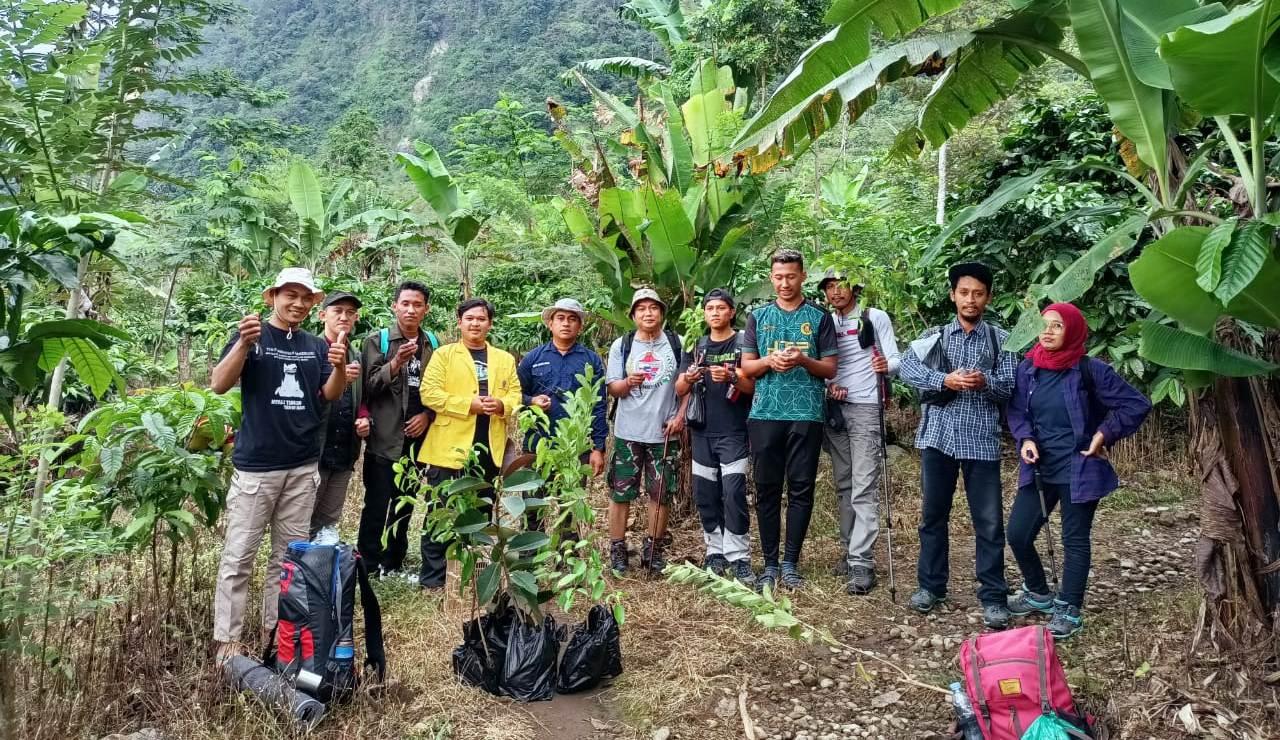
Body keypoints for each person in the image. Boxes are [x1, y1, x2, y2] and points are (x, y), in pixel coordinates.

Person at [209, 267, 348, 663]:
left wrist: (338, 365)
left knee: (287, 559)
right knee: (239, 558)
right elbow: (218, 384)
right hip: (257, 467)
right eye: (291, 295)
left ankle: (277, 633)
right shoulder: (252, 335)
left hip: (303, 467)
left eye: (307, 298)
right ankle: (229, 642)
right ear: (273, 296)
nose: (299, 304)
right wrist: (243, 345)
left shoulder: (315, 345)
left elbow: (328, 395)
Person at [1005, 303, 1151, 639]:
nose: (1049, 332)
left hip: (1079, 466)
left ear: (1072, 330)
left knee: (1074, 539)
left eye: (1057, 326)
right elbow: (1017, 411)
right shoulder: (1028, 369)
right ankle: (1039, 592)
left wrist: (1104, 433)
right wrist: (1025, 438)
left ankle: (1069, 608)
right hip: (1040, 466)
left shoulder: (1090, 370)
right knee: (1018, 533)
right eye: (1044, 325)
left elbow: (1136, 404)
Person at [899, 261, 1017, 629]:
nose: (970, 299)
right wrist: (943, 379)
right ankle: (931, 586)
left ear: (988, 297)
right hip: (938, 438)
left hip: (982, 440)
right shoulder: (934, 335)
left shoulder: (1002, 339)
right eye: (964, 292)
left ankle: (994, 596)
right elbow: (906, 367)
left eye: (978, 293)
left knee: (989, 523)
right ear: (953, 295)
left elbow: (1011, 383)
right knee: (933, 517)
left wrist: (986, 382)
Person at [739, 251, 839, 591]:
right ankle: (768, 562)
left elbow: (829, 369)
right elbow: (747, 367)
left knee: (801, 487)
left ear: (803, 276)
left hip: (806, 413)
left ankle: (791, 562)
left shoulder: (819, 317)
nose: (785, 283)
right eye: (779, 277)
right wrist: (770, 360)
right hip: (765, 411)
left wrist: (802, 360)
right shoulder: (758, 317)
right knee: (767, 489)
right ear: (771, 277)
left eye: (791, 276)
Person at [417, 298, 521, 589]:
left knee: (481, 512)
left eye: (482, 319)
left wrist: (501, 405)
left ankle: (472, 573)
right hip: (448, 447)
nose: (475, 323)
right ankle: (433, 579)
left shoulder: (504, 358)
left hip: (489, 447)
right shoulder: (444, 355)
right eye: (470, 318)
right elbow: (429, 394)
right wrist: (469, 404)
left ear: (490, 323)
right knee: (440, 511)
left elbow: (515, 394)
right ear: (459, 322)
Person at [817, 270, 900, 596]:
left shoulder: (873, 316)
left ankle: (862, 562)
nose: (835, 292)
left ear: (854, 287)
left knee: (864, 486)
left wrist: (885, 367)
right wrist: (829, 386)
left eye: (840, 285)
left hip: (866, 407)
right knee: (844, 483)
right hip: (836, 410)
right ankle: (849, 552)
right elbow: (823, 365)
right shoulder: (826, 323)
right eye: (829, 287)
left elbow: (895, 358)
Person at [356, 281, 438, 579]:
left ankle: (393, 560)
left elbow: (439, 388)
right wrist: (396, 362)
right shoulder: (377, 341)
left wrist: (428, 415)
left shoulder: (433, 343)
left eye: (417, 304)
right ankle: (367, 563)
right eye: (405, 303)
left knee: (405, 504)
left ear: (425, 309)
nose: (411, 309)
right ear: (395, 306)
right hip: (385, 437)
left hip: (418, 440)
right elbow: (368, 387)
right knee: (376, 503)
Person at [674, 289, 756, 585]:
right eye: (710, 308)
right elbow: (680, 389)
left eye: (721, 308)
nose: (715, 313)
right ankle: (715, 551)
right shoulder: (696, 345)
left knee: (733, 493)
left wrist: (733, 376)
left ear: (732, 312)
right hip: (702, 432)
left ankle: (739, 556)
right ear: (704, 313)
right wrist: (690, 377)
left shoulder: (744, 342)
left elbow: (754, 387)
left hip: (734, 431)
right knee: (706, 494)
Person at [605, 288, 685, 575]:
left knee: (660, 493)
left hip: (664, 433)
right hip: (629, 432)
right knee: (621, 492)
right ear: (633, 315)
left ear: (662, 313)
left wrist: (680, 416)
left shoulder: (677, 343)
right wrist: (628, 382)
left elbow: (687, 384)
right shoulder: (622, 345)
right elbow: (613, 387)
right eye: (642, 309)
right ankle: (617, 548)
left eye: (653, 308)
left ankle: (654, 549)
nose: (648, 313)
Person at [518, 298, 608, 475]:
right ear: (550, 324)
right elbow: (514, 395)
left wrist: (598, 448)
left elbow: (598, 405)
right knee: (535, 500)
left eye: (572, 319)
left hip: (576, 446)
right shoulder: (532, 359)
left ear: (580, 327)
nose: (566, 323)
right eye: (560, 318)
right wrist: (532, 401)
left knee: (571, 498)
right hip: (538, 443)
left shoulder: (591, 360)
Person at [309, 290, 370, 540]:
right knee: (302, 518)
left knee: (328, 522)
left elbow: (363, 397)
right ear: (323, 315)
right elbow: (308, 398)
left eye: (350, 313)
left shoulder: (355, 355)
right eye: (337, 311)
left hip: (344, 450)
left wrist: (365, 418)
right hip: (316, 450)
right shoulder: (311, 349)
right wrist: (341, 380)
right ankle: (294, 573)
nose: (344, 317)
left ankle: (320, 571)